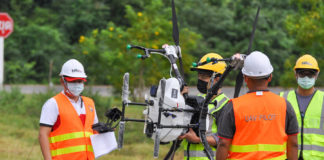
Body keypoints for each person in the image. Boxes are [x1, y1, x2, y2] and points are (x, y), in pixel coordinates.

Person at [216, 51, 299, 160]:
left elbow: (223, 143)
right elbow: (293, 143)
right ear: (270, 77)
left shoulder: (233, 106)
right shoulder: (284, 105)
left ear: (245, 78)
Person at [39, 59, 98, 160]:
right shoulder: (53, 104)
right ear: (63, 81)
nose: (77, 84)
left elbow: (94, 131)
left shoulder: (90, 103)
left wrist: (106, 130)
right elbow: (43, 135)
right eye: (73, 81)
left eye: (79, 81)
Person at [179, 53, 230, 160]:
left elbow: (223, 139)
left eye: (203, 76)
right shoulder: (198, 99)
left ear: (218, 78)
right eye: (199, 76)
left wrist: (198, 139)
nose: (199, 79)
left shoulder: (225, 104)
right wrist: (180, 98)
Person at [280, 54, 323, 160]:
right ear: (296, 74)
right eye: (302, 73)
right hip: (288, 156)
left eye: (310, 74)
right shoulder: (283, 98)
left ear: (316, 75)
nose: (306, 77)